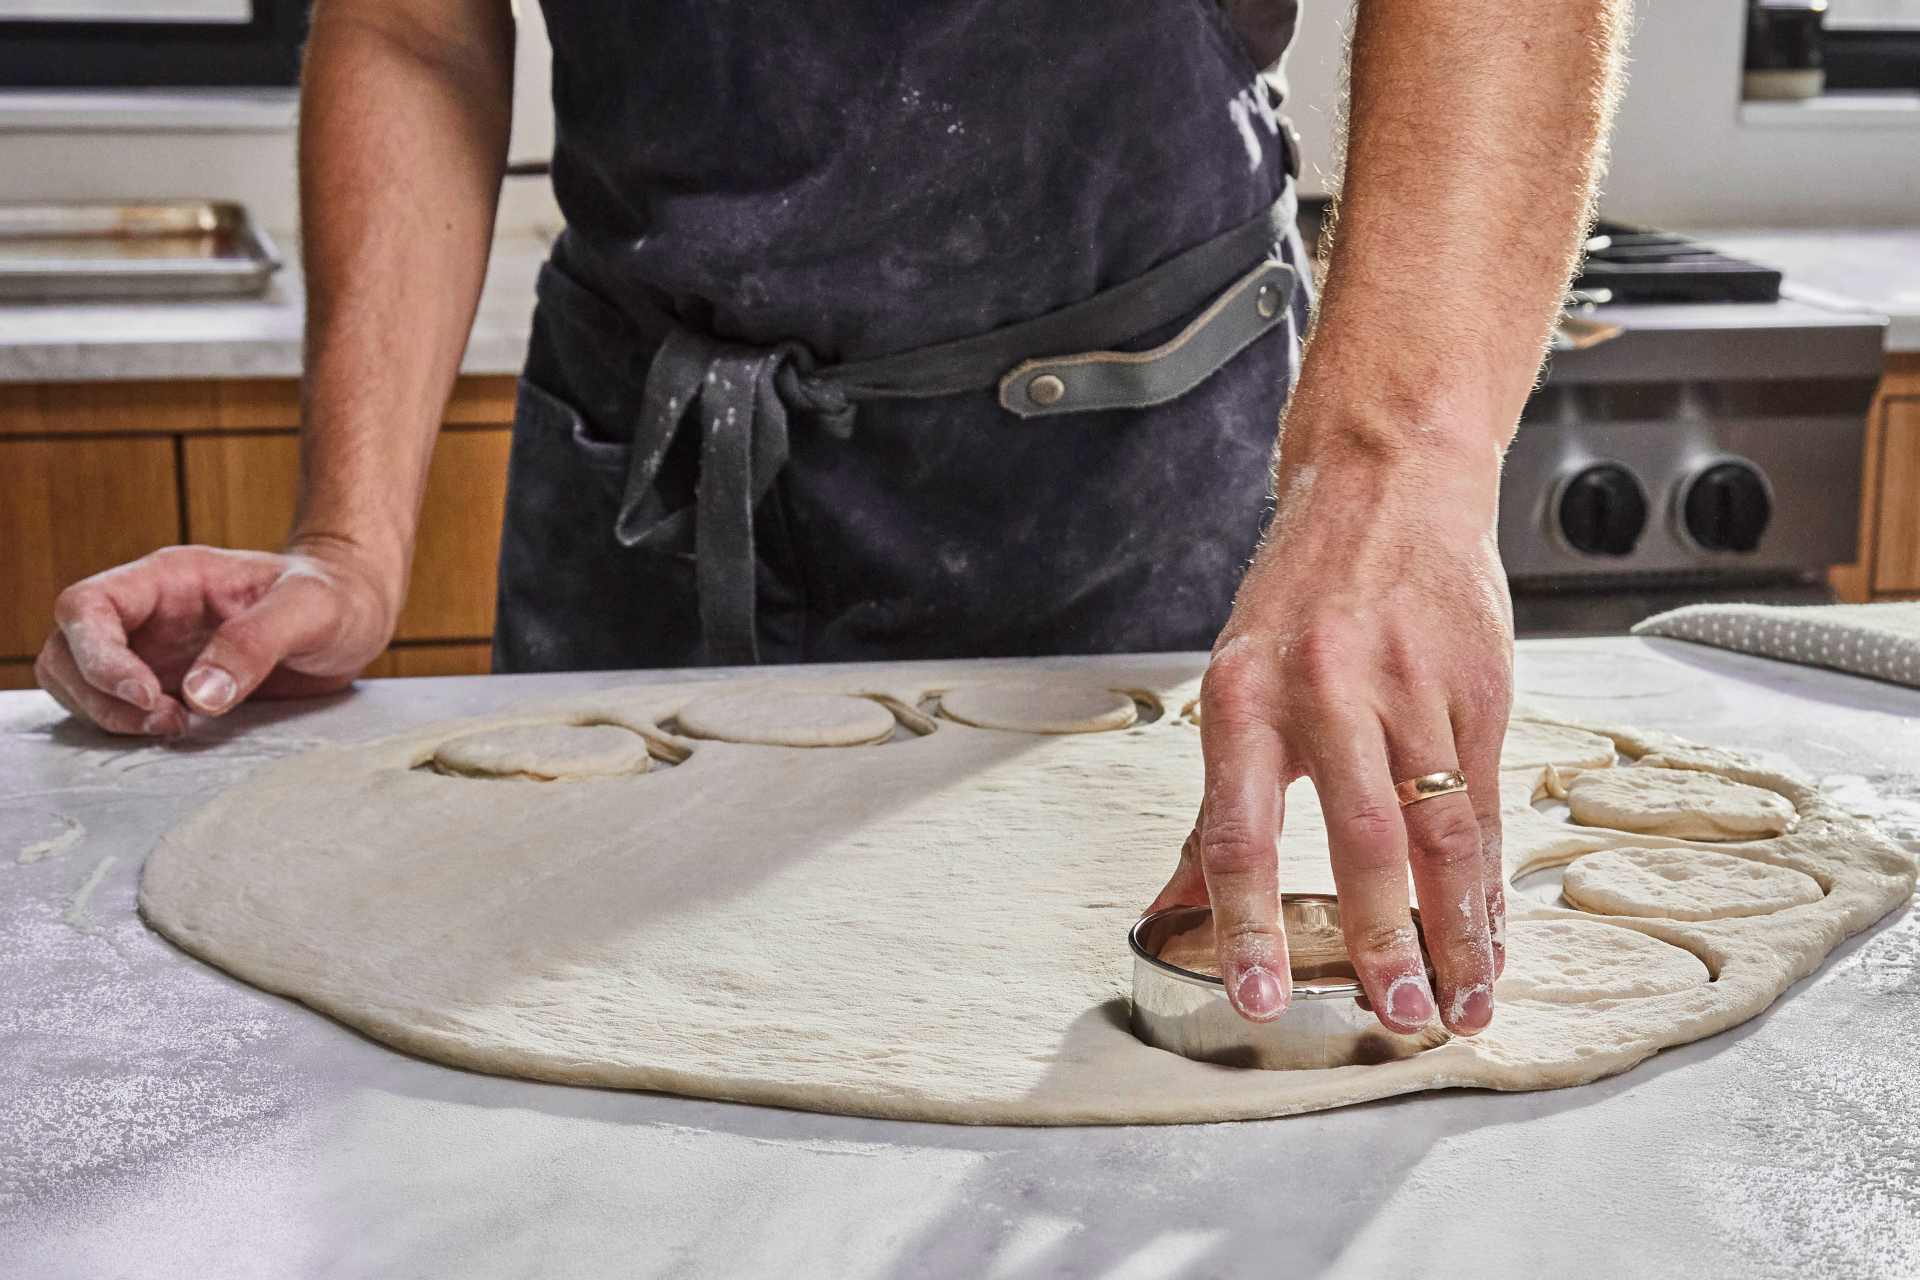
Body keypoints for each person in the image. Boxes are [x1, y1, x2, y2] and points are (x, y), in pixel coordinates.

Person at [33, 0, 1629, 1037]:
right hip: (652, 494)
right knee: (563, 1113)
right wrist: (352, 545)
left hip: (1130, 504)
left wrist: (1394, 462)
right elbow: (413, 24)